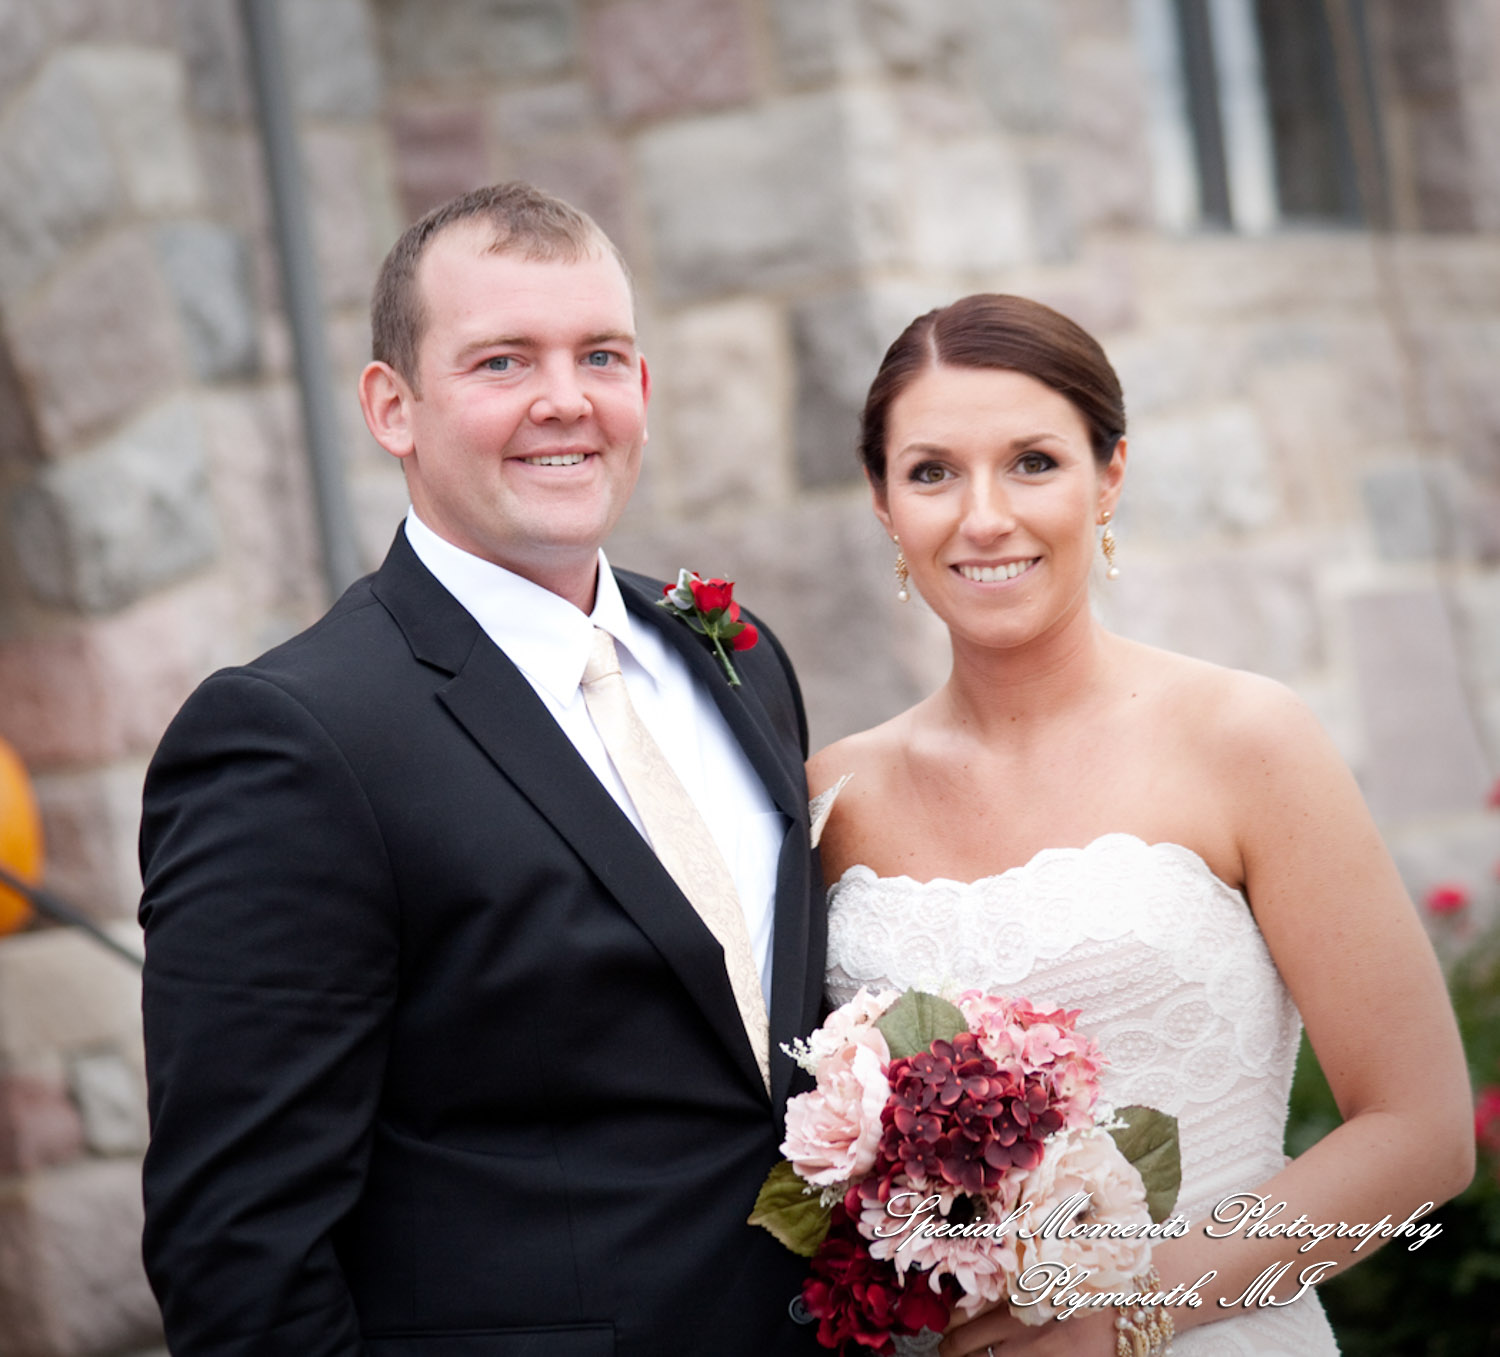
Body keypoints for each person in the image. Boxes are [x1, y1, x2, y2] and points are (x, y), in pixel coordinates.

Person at [138, 183, 826, 1357]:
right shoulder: (292, 738)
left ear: (643, 388)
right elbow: (237, 1247)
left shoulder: (739, 654)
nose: (566, 400)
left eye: (600, 355)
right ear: (391, 407)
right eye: (502, 363)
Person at [806, 293, 1474, 1356]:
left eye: (1033, 461)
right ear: (884, 503)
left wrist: (1126, 1312)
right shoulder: (833, 797)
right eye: (932, 471)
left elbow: (1423, 1135)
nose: (984, 516)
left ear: (1108, 476)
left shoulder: (1245, 737)